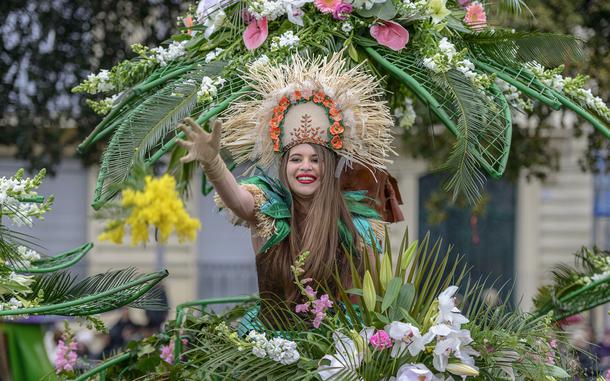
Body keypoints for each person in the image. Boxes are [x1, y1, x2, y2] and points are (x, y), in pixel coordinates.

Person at [176, 53, 399, 328]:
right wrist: (213, 163)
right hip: (268, 348)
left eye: (315, 159)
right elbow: (237, 200)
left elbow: (371, 302)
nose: (305, 167)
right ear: (284, 167)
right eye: (296, 159)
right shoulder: (268, 211)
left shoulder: (358, 227)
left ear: (330, 168)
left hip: (335, 352)